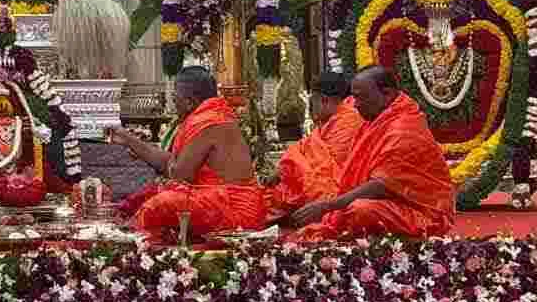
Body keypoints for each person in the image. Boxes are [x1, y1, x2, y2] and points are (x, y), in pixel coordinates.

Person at [292, 66, 456, 239]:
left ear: (387, 94)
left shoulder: (403, 129)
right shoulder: (374, 119)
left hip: (423, 214)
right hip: (387, 202)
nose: (355, 105)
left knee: (360, 210)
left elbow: (381, 185)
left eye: (361, 98)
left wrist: (328, 206)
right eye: (354, 97)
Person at [109, 67, 265, 241]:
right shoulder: (215, 115)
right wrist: (130, 140)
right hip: (224, 202)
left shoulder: (208, 122)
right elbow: (174, 164)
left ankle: (128, 241)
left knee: (161, 203)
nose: (174, 105)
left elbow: (179, 175)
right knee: (150, 194)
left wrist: (138, 147)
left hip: (235, 211)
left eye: (175, 99)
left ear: (190, 102)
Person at [262, 71, 365, 221]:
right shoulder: (334, 120)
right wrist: (284, 169)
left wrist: (286, 167)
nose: (311, 110)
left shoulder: (349, 122)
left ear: (324, 100)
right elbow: (306, 148)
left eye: (312, 103)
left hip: (337, 195)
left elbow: (323, 173)